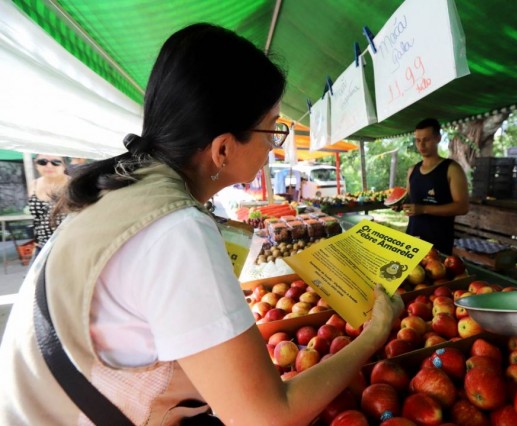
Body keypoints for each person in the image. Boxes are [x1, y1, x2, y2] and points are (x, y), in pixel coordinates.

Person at [0, 23, 402, 425]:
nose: (273, 145)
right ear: (223, 148)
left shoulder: (125, 190)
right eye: (273, 128)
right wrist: (375, 331)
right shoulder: (175, 231)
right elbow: (265, 419)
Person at [400, 118, 469, 255]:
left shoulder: (452, 169)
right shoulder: (412, 170)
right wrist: (400, 204)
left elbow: (462, 207)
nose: (422, 145)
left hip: (439, 243)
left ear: (438, 138)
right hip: (412, 239)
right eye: (418, 140)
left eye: (426, 139)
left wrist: (424, 209)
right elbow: (410, 199)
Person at [27, 153, 70, 260]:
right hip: (42, 246)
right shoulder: (34, 184)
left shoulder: (73, 184)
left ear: (64, 165)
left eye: (56, 162)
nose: (49, 166)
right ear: (36, 165)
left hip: (68, 245)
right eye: (42, 162)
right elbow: (37, 219)